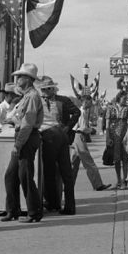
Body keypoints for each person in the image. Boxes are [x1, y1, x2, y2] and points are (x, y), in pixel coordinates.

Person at [1, 63, 44, 223]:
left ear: (28, 79)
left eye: (20, 76)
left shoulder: (32, 96)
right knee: (11, 176)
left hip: (27, 137)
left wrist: (17, 145)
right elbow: (21, 119)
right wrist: (12, 120)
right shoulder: (27, 96)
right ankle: (13, 209)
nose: (17, 79)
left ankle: (34, 212)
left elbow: (27, 124)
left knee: (25, 175)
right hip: (24, 135)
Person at [37, 75, 80, 215]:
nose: (45, 92)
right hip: (50, 136)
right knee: (52, 172)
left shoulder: (63, 100)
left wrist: (68, 127)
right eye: (43, 89)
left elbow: (77, 112)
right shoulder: (39, 101)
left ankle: (67, 205)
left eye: (47, 89)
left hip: (57, 135)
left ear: (52, 89)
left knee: (62, 172)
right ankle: (54, 202)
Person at [71, 95, 111, 191]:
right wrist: (91, 130)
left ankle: (68, 185)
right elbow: (83, 128)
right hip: (79, 136)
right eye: (89, 102)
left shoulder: (82, 111)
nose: (91, 104)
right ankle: (98, 184)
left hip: (75, 136)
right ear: (85, 102)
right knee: (89, 162)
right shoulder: (81, 112)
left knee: (74, 164)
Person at [105, 90, 128, 189]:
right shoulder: (110, 108)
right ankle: (118, 180)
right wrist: (107, 137)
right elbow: (107, 124)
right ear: (119, 98)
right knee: (116, 160)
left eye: (126, 98)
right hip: (113, 136)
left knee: (125, 158)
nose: (125, 100)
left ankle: (124, 180)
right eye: (124, 98)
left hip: (124, 136)